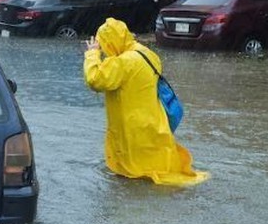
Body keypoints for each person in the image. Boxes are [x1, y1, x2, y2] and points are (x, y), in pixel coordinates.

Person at [83, 17, 209, 187]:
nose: (105, 51)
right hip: (153, 120)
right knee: (152, 164)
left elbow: (95, 80)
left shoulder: (124, 63)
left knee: (133, 173)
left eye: (105, 45)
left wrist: (92, 54)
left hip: (133, 126)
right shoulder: (145, 53)